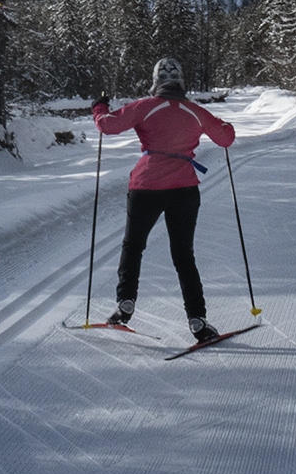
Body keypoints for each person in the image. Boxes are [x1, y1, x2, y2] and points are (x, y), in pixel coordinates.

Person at [90, 57, 236, 339]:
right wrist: (225, 125)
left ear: (156, 81)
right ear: (181, 81)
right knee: (184, 256)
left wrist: (99, 106)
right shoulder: (194, 111)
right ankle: (198, 321)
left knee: (133, 246)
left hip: (146, 187)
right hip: (184, 190)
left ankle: (125, 304)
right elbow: (226, 138)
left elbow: (107, 126)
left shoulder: (145, 107)